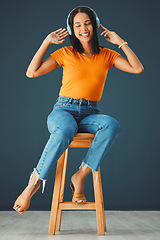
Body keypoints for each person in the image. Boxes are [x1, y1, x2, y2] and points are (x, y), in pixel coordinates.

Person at [13, 6, 144, 214]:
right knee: (65, 131)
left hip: (90, 113)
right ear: (72, 29)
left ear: (96, 24)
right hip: (63, 110)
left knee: (112, 125)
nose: (83, 28)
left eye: (87, 23)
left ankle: (80, 176)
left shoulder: (107, 55)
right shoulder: (65, 53)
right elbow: (32, 72)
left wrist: (121, 43)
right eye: (77, 25)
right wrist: (46, 42)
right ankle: (34, 182)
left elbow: (137, 68)